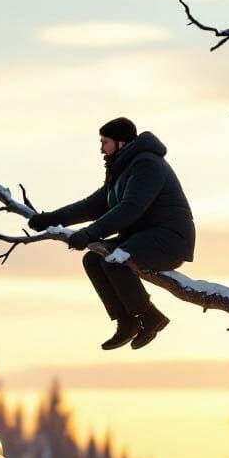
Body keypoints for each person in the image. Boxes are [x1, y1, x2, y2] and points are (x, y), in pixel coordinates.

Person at [29, 117, 195, 350]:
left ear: (120, 142)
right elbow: (92, 206)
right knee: (94, 259)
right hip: (142, 238)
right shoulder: (121, 169)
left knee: (116, 260)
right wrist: (50, 219)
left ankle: (149, 317)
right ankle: (126, 322)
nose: (100, 149)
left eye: (104, 142)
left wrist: (89, 233)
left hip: (169, 240)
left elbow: (131, 208)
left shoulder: (147, 164)